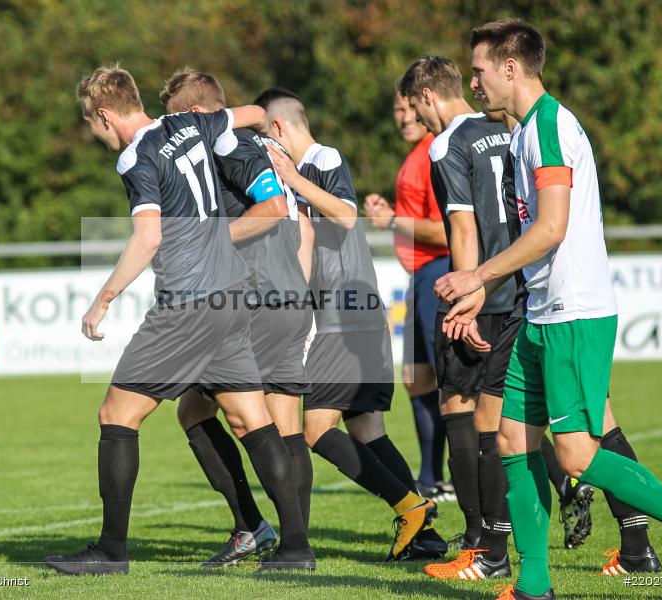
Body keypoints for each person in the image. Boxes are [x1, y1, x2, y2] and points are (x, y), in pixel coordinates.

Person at [436, 20, 662, 599]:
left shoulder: (549, 126)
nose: (473, 83)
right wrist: (484, 290)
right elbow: (537, 235)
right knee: (511, 439)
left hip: (574, 313)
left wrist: (478, 273)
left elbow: (552, 228)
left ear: (510, 67)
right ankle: (533, 585)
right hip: (541, 314)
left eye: (478, 71)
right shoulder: (526, 131)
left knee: (577, 453)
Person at [45, 66, 315, 576]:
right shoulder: (190, 126)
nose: (94, 133)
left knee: (116, 415)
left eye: (90, 123)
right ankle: (296, 549)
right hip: (232, 296)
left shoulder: (136, 156)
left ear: (105, 114)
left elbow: (147, 238)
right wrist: (219, 119)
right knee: (251, 421)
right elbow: (258, 113)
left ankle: (110, 551)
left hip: (187, 305)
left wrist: (103, 298)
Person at [261, 87, 447, 561]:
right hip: (356, 316)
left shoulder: (323, 159)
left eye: (266, 137)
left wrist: (294, 181)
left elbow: (346, 216)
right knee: (368, 432)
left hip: (346, 318)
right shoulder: (308, 170)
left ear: (278, 128)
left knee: (316, 432)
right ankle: (424, 536)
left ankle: (410, 507)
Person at [159, 69, 315, 566]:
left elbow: (270, 208)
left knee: (198, 411)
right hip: (286, 294)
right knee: (284, 425)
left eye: (176, 121)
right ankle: (295, 542)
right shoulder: (260, 146)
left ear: (196, 114)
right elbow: (295, 218)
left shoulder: (227, 145)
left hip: (255, 299)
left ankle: (256, 529)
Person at [398, 55, 518, 579]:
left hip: (479, 290)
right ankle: (500, 536)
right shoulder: (507, 127)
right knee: (505, 420)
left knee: (460, 410)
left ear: (427, 96)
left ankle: (479, 538)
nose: (421, 123)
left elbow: (463, 230)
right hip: (517, 288)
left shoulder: (448, 145)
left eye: (417, 111)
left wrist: (466, 297)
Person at [364, 84, 451, 503]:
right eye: (397, 110)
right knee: (417, 380)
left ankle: (557, 476)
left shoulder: (435, 153)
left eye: (408, 108)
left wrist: (394, 220)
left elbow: (446, 229)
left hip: (439, 273)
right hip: (418, 278)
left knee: (457, 386)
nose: (402, 118)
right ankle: (431, 477)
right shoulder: (416, 157)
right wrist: (390, 215)